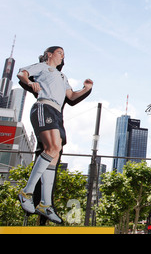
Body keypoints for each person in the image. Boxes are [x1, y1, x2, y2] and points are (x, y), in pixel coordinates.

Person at [16, 46, 93, 224]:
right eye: (59, 53)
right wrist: (29, 82)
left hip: (57, 112)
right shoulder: (43, 67)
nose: (62, 56)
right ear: (50, 54)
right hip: (44, 106)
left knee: (54, 155)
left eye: (64, 55)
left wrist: (86, 88)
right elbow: (22, 73)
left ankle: (45, 204)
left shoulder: (62, 77)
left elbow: (72, 96)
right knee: (53, 147)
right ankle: (26, 192)